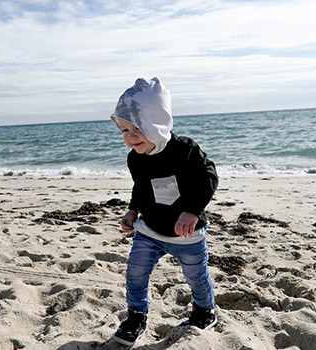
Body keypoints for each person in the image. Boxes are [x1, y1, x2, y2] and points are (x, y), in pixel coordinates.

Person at [110, 77, 219, 347]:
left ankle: (205, 311)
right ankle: (136, 317)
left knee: (196, 275)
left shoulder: (185, 150)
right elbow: (141, 187)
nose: (130, 138)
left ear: (156, 124)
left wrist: (192, 211)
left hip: (187, 233)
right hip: (150, 230)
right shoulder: (135, 158)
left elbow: (209, 177)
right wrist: (132, 210)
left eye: (137, 129)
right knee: (135, 273)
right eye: (124, 131)